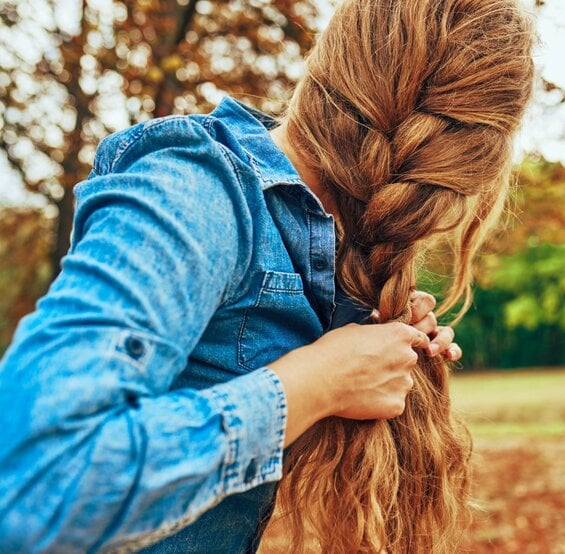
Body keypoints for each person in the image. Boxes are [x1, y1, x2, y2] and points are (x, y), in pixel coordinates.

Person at [0, 0, 535, 552]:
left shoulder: (305, 250)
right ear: (476, 162)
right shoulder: (196, 192)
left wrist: (358, 352)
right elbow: (35, 479)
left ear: (330, 61)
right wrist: (317, 381)